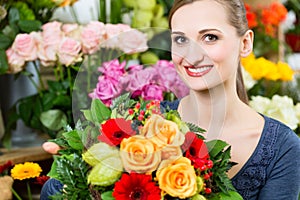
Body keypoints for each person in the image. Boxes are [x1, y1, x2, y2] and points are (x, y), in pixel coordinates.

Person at [41, 0, 300, 199]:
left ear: (245, 43)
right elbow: (53, 192)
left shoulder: (282, 148)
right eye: (180, 40)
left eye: (210, 37)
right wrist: (75, 166)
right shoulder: (139, 123)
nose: (193, 55)